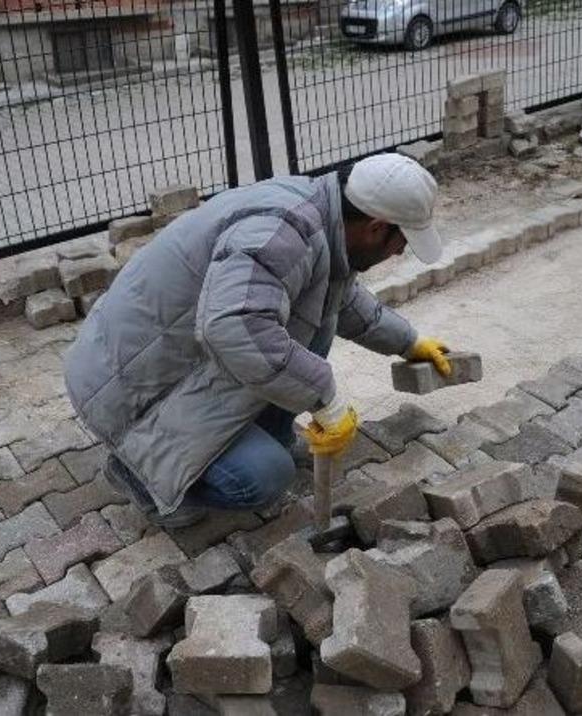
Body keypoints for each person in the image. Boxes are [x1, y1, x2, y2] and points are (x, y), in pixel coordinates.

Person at [64, 154, 455, 527]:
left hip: (176, 357)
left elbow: (339, 296)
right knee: (262, 478)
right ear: (375, 226)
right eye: (402, 240)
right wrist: (324, 398)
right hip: (128, 387)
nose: (402, 250)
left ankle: (271, 436)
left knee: (318, 320)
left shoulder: (320, 215)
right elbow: (232, 327)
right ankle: (138, 472)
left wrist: (408, 342)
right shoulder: (282, 230)